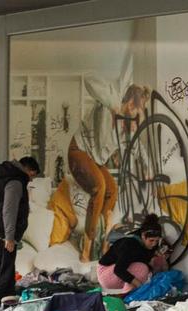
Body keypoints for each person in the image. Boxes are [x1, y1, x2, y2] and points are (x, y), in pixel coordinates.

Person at [68, 78, 150, 261]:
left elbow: (138, 147)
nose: (138, 112)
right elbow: (89, 80)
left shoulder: (126, 126)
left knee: (112, 190)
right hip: (78, 150)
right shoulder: (106, 105)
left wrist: (146, 168)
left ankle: (104, 244)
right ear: (130, 102)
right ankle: (86, 251)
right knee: (99, 188)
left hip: (95, 160)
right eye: (138, 106)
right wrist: (112, 104)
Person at [0, 157, 40, 311]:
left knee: (7, 280)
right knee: (0, 279)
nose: (31, 179)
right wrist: (9, 237)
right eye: (32, 175)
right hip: (1, 238)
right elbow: (9, 210)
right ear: (27, 169)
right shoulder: (15, 181)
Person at [96, 214, 168, 294]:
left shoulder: (152, 243)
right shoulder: (129, 244)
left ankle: (137, 293)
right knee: (142, 269)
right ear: (143, 236)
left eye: (157, 241)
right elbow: (119, 270)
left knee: (157, 261)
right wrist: (141, 287)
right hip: (105, 274)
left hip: (120, 270)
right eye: (151, 241)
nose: (154, 244)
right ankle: (129, 296)